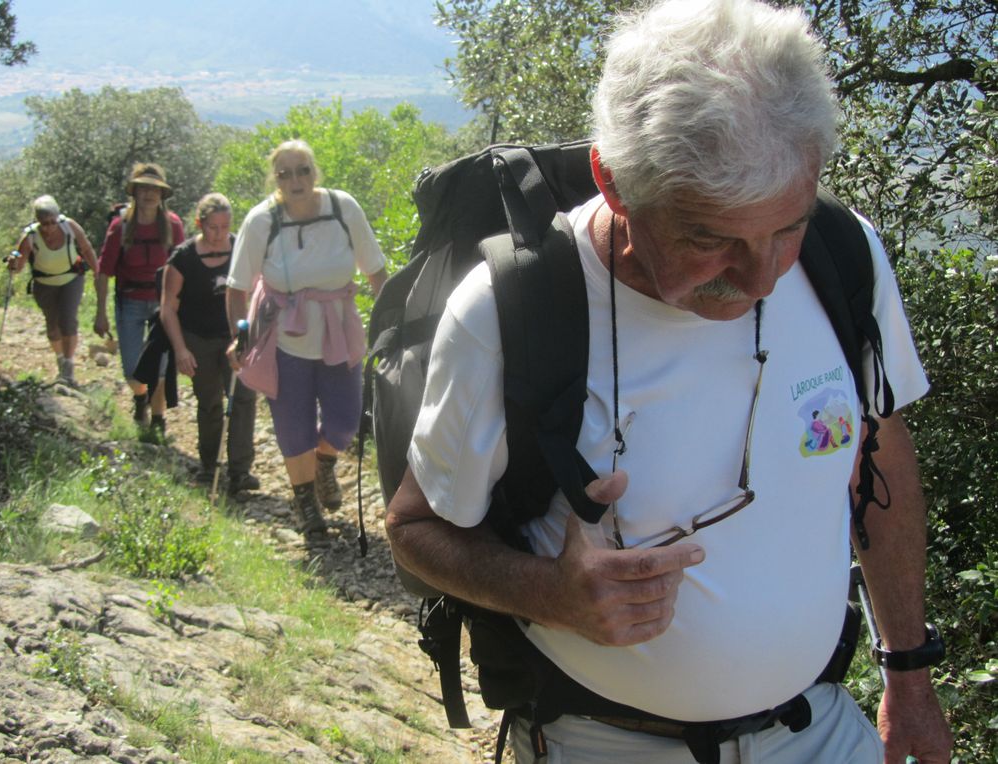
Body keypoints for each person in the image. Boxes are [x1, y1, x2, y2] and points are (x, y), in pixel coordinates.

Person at [384, 1, 952, 763]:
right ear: (614, 183)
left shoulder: (845, 254)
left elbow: (878, 459)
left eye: (785, 230)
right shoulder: (511, 309)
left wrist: (909, 675)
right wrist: (546, 594)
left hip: (819, 732)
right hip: (600, 744)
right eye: (711, 239)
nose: (761, 280)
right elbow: (416, 529)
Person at [226, 140, 387, 542]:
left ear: (315, 172)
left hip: (338, 329)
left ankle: (324, 465)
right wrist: (241, 338)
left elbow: (378, 273)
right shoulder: (262, 221)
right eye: (285, 173)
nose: (295, 180)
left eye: (302, 171)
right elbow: (237, 288)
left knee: (346, 421)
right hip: (283, 339)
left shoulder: (343, 209)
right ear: (275, 179)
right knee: (293, 428)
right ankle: (305, 504)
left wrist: (391, 327)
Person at [159, 193, 259, 493]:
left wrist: (247, 337)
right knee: (210, 402)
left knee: (243, 400)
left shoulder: (241, 250)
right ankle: (208, 465)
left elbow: (256, 295)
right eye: (212, 227)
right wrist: (180, 349)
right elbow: (168, 308)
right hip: (197, 339)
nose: (218, 234)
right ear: (199, 223)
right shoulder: (184, 258)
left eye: (224, 226)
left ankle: (240, 471)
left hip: (235, 337)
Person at [95, 162, 185, 432]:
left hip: (163, 303)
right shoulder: (120, 227)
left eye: (154, 190)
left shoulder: (172, 225)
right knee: (132, 369)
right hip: (130, 300)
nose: (149, 194)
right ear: (134, 192)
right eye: (143, 189)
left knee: (160, 366)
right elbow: (103, 272)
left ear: (162, 194)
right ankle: (139, 396)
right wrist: (100, 313)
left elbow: (182, 267)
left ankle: (157, 420)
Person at [8, 195, 99, 387]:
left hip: (71, 279)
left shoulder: (70, 227)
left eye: (52, 222)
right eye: (44, 223)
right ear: (38, 221)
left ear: (58, 218)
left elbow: (86, 249)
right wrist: (13, 264)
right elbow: (18, 265)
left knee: (68, 320)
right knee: (52, 325)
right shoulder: (30, 235)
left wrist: (98, 271)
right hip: (44, 283)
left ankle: (68, 366)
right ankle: (59, 359)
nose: (49, 227)